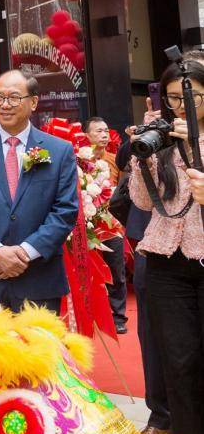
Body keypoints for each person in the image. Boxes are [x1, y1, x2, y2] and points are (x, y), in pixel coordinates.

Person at [0, 69, 79, 313]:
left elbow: (65, 211)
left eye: (14, 98)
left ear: (34, 102)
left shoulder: (59, 151)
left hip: (38, 278)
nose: (5, 105)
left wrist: (23, 253)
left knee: (36, 350)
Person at [129, 59, 204, 434]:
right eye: (173, 98)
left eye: (188, 98)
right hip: (165, 262)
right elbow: (144, 201)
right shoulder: (164, 137)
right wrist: (143, 156)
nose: (180, 106)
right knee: (178, 362)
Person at [122, 122, 171, 434]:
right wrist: (140, 140)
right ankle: (162, 417)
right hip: (151, 243)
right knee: (153, 334)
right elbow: (124, 162)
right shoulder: (157, 128)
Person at [84, 116, 127, 333]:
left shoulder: (114, 159)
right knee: (89, 271)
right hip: (87, 225)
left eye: (106, 130)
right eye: (98, 131)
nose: (104, 134)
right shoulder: (80, 160)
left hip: (112, 224)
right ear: (87, 136)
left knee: (116, 270)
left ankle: (118, 317)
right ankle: (89, 316)